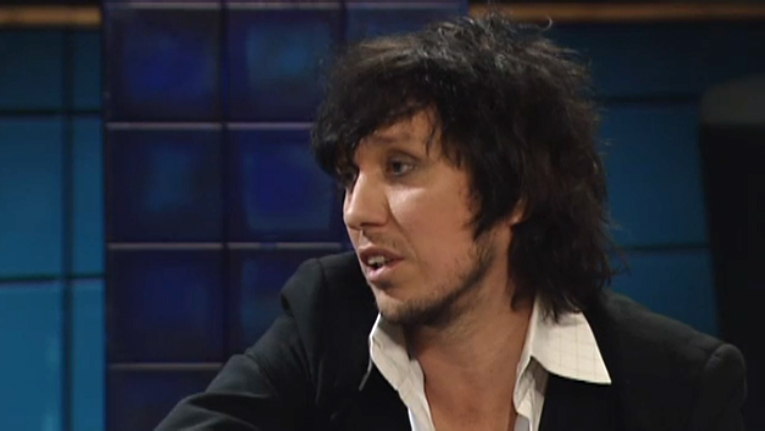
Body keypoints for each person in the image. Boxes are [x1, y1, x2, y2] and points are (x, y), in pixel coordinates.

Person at [156, 14, 746, 431]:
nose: (357, 212)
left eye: (400, 167)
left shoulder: (676, 386)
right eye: (350, 177)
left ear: (514, 193)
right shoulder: (327, 321)